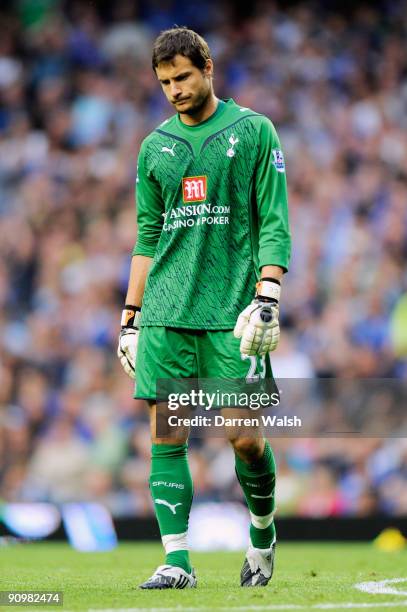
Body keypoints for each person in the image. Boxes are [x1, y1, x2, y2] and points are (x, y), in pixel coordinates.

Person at [118, 27, 291, 589]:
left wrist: (268, 293)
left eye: (183, 77)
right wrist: (130, 316)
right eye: (164, 82)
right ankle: (177, 562)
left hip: (232, 312)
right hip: (167, 310)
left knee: (244, 437)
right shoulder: (153, 148)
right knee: (167, 433)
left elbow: (273, 218)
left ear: (208, 67)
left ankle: (262, 533)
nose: (174, 90)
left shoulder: (254, 131)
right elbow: (147, 237)